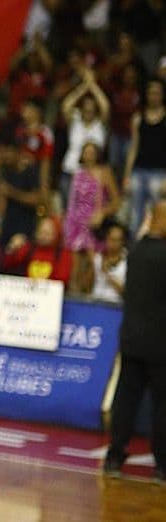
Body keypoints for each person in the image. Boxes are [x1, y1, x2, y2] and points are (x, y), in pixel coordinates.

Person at [103, 197, 166, 483]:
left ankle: (114, 456)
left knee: (125, 402)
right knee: (161, 405)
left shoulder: (137, 251)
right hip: (159, 346)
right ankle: (162, 465)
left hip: (131, 341)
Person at [59, 69, 110, 199]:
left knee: (86, 212)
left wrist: (93, 85)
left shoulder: (100, 125)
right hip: (70, 171)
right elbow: (66, 105)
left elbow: (106, 107)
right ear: (81, 108)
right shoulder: (75, 121)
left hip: (91, 176)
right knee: (69, 212)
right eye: (86, 105)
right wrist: (84, 86)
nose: (89, 108)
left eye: (92, 105)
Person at [124, 79, 165, 234]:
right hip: (139, 171)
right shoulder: (138, 118)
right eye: (151, 92)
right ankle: (135, 252)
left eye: (157, 93)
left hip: (159, 173)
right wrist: (127, 176)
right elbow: (133, 147)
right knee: (135, 217)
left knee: (158, 215)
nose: (153, 96)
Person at [1, 217, 74, 285]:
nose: (43, 236)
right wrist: (11, 249)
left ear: (56, 234)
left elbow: (63, 279)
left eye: (47, 233)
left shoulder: (63, 254)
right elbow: (7, 265)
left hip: (49, 294)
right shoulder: (29, 248)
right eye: (41, 232)